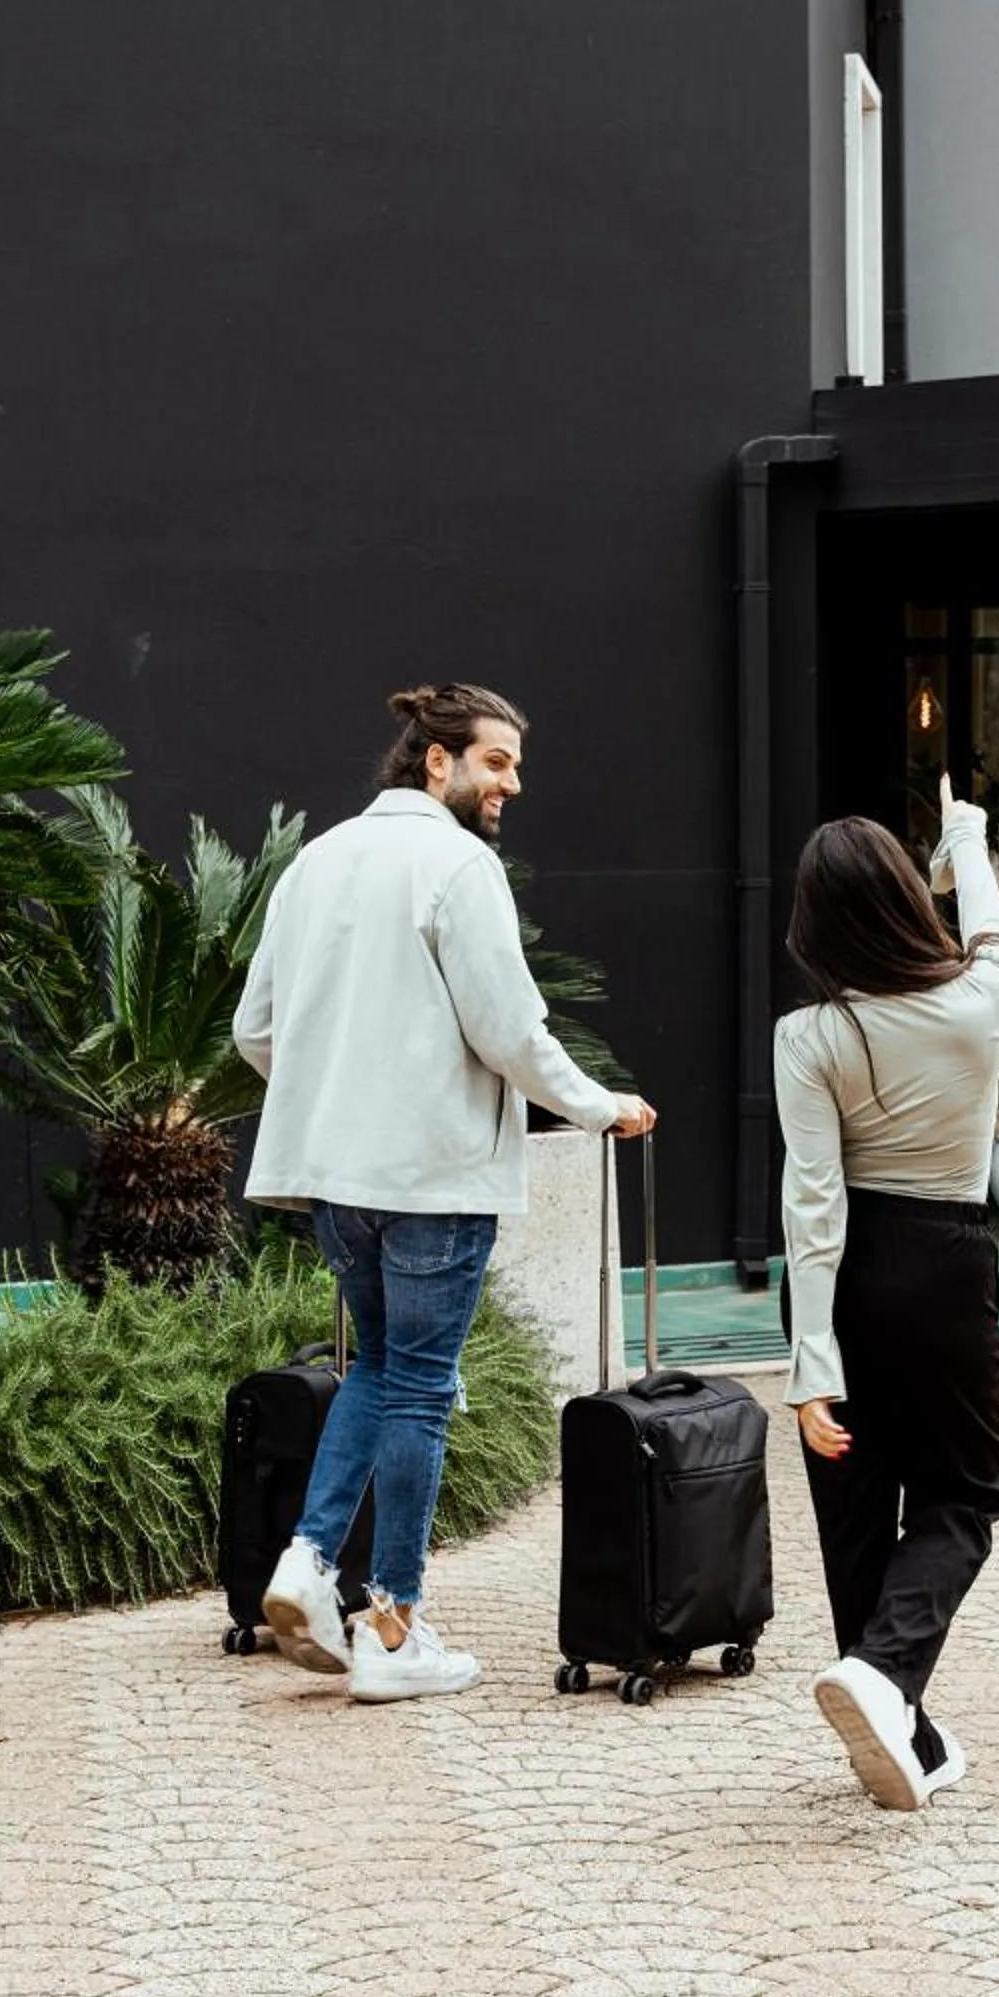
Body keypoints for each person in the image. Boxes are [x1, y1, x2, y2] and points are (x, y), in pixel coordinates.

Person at [233, 682, 655, 1702]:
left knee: (380, 1367)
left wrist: (337, 1099)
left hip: (337, 1178)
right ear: (437, 761)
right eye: (497, 761)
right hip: (431, 1178)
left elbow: (256, 1031)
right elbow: (509, 1032)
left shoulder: (315, 862)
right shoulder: (459, 866)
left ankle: (304, 1563)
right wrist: (601, 1107)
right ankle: (393, 1625)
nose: (513, 782)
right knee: (419, 1383)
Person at [775, 775, 999, 1810]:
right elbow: (989, 923)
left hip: (851, 1277)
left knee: (852, 1504)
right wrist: (961, 832)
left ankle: (898, 1727)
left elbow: (811, 1206)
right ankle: (886, 1690)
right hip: (947, 1262)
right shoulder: (982, 1000)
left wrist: (807, 1370)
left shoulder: (809, 1036)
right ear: (902, 904)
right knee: (963, 1495)